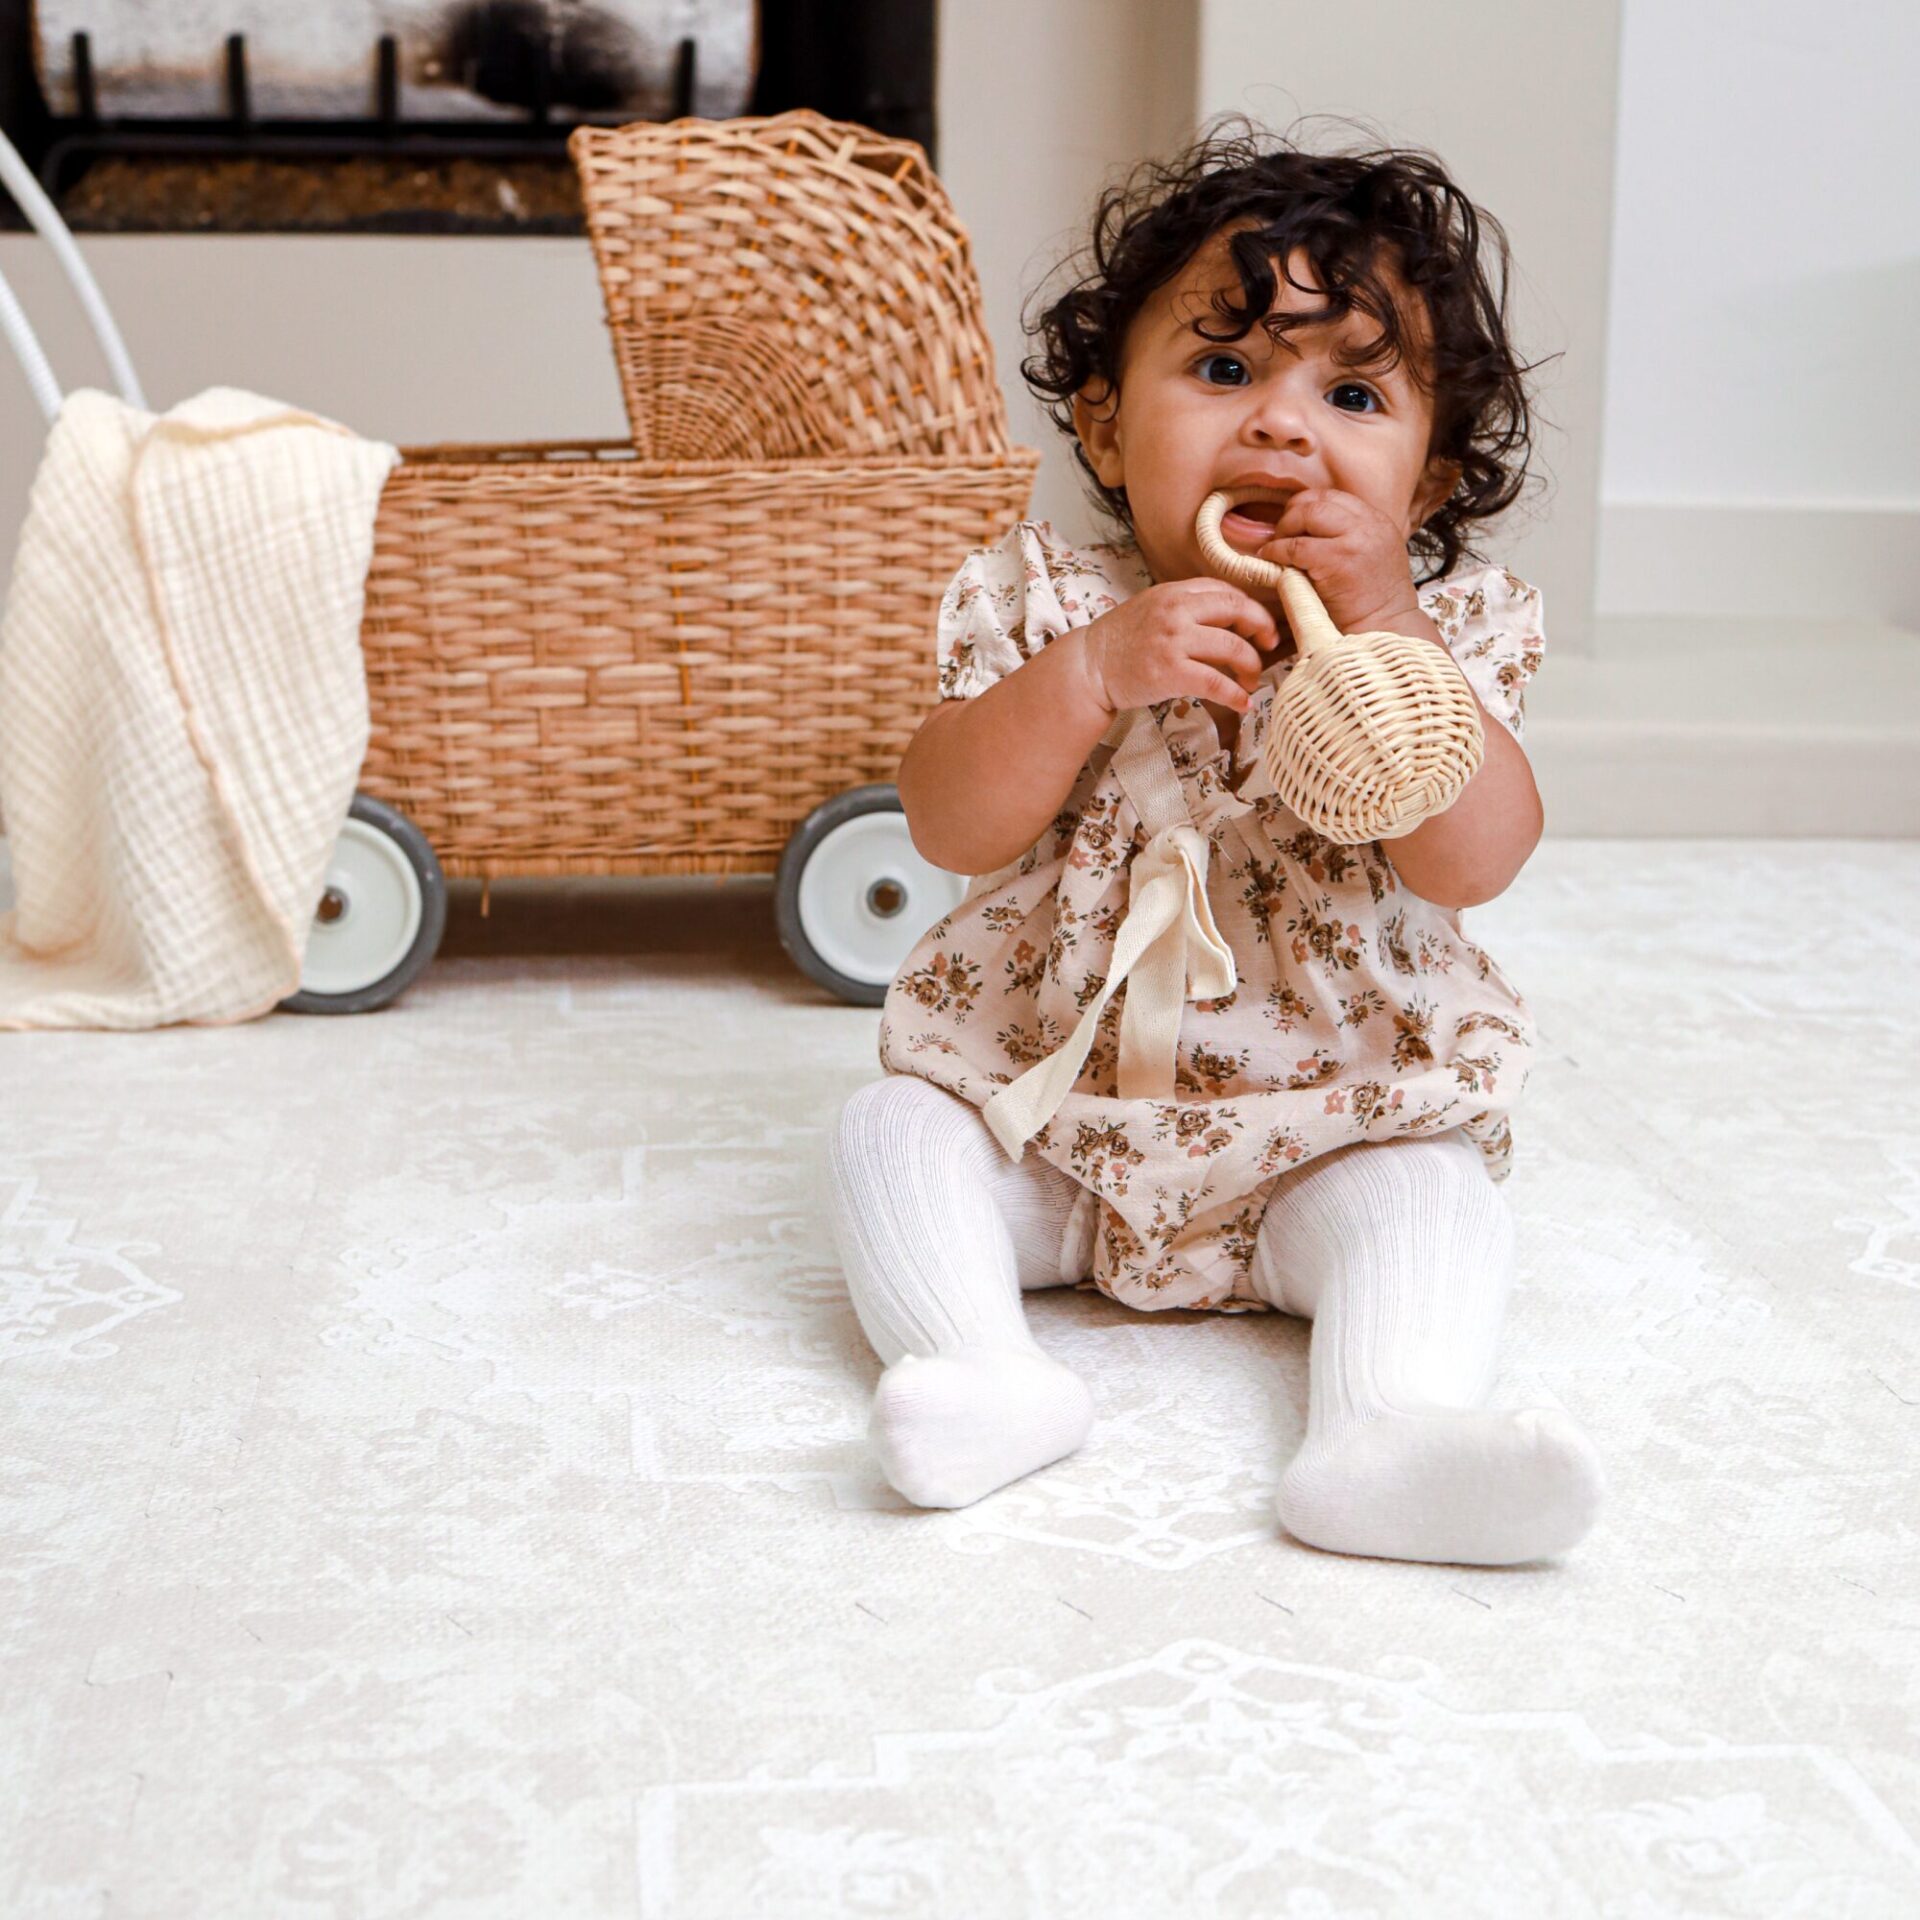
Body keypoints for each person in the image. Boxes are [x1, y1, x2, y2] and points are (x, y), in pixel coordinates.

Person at [818, 119, 1605, 1567]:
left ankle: (1385, 1432)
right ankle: (982, 1372)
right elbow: (945, 816)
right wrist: (1088, 675)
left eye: (1353, 394)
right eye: (1225, 370)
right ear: (1108, 426)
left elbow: (1476, 861)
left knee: (1432, 1195)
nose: (1283, 427)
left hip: (1325, 1130)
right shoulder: (1047, 604)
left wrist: (1389, 630)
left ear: (1428, 484)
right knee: (892, 1131)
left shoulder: (1444, 638)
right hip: (1052, 1118)